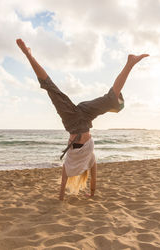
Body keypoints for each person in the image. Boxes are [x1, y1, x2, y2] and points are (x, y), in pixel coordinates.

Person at [16, 38, 149, 201]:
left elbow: (64, 183)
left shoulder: (70, 165)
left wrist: (61, 198)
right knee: (111, 98)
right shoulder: (88, 160)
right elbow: (93, 180)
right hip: (84, 118)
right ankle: (130, 63)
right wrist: (91, 194)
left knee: (51, 88)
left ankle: (28, 54)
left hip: (72, 121)